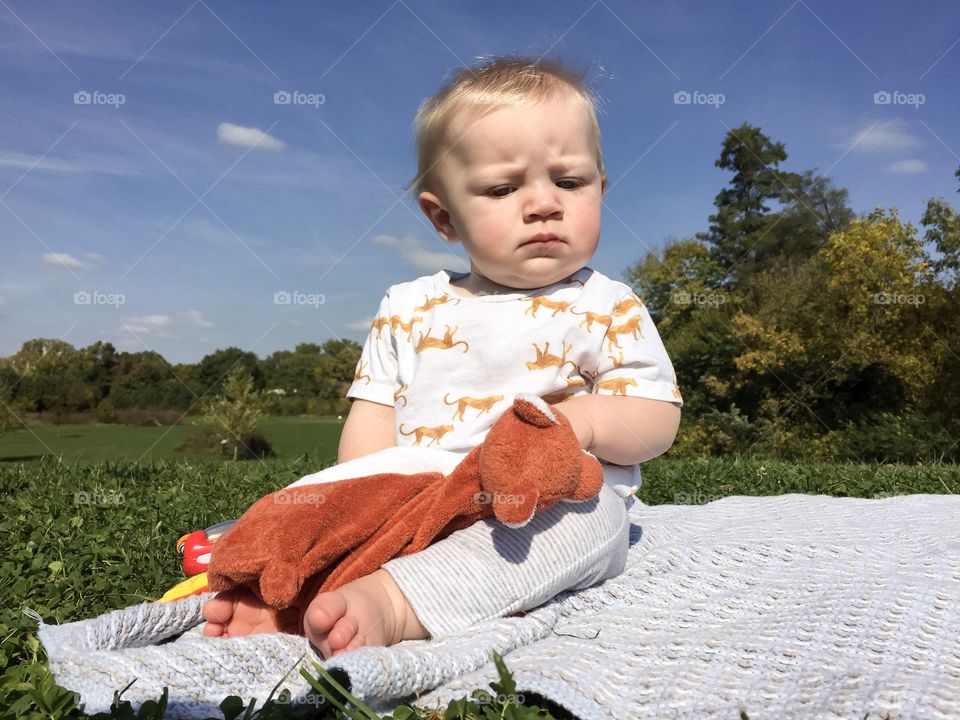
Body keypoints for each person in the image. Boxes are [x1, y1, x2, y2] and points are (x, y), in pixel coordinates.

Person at [203, 55, 682, 658]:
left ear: (601, 188)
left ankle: (398, 604)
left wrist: (582, 421)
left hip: (543, 503)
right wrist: (358, 496)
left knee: (598, 525)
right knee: (315, 507)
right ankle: (290, 590)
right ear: (443, 217)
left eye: (569, 181)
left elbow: (655, 418)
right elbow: (371, 420)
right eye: (503, 188)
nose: (543, 204)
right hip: (416, 498)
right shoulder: (408, 306)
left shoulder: (608, 304)